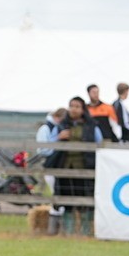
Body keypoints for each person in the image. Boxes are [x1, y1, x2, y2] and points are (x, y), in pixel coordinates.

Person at [48, 97, 102, 235]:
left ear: (83, 109)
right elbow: (48, 146)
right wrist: (59, 138)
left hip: (85, 168)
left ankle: (86, 232)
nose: (74, 109)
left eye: (77, 106)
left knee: (86, 202)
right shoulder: (61, 126)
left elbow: (100, 144)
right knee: (67, 203)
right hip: (66, 168)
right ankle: (68, 232)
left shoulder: (92, 127)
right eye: (71, 106)